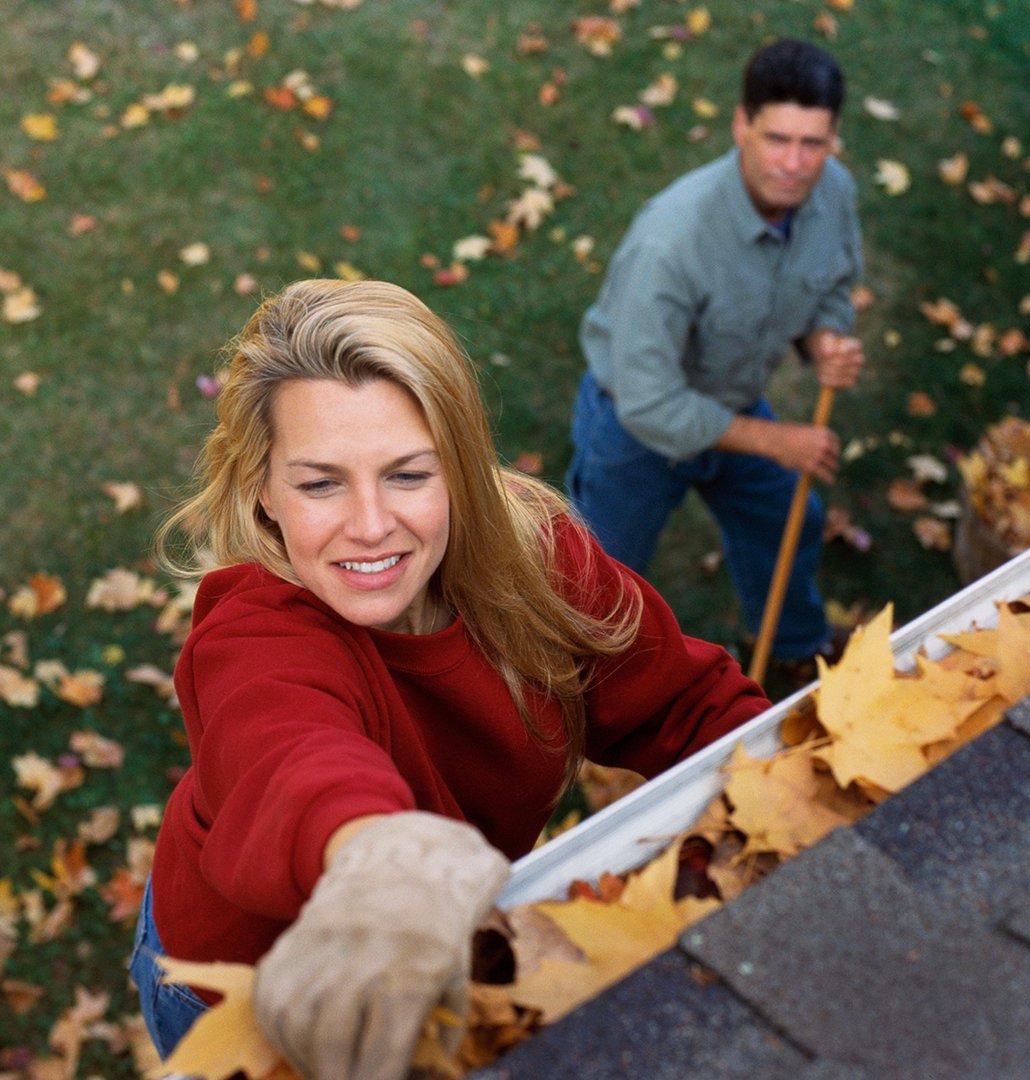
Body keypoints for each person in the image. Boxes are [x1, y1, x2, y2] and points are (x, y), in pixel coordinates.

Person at [129, 278, 771, 1080]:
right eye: (320, 482)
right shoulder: (255, 632)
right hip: (245, 990)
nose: (370, 525)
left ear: (462, 470)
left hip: (437, 953)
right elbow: (290, 755)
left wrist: (785, 800)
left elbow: (690, 704)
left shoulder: (539, 562)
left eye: (407, 474)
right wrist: (390, 862)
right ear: (262, 489)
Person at [566, 37, 866, 674]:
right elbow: (651, 401)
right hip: (634, 429)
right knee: (598, 584)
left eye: (813, 143)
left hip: (729, 395)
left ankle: (791, 644)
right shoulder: (670, 243)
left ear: (834, 137)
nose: (793, 164)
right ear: (741, 124)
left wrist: (824, 339)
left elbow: (834, 284)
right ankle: (576, 689)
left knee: (792, 517)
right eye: (776, 138)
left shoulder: (832, 192)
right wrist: (775, 441)